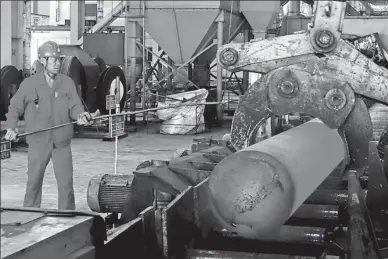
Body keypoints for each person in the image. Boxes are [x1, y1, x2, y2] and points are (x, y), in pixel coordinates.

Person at [4, 41, 94, 210]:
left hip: (61, 143)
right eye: (54, 59)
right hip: (38, 142)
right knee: (33, 184)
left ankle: (67, 219)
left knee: (66, 185)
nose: (58, 63)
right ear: (42, 61)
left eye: (59, 59)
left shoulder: (66, 82)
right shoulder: (29, 84)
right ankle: (29, 216)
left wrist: (80, 115)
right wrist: (11, 127)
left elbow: (75, 105)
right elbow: (15, 107)